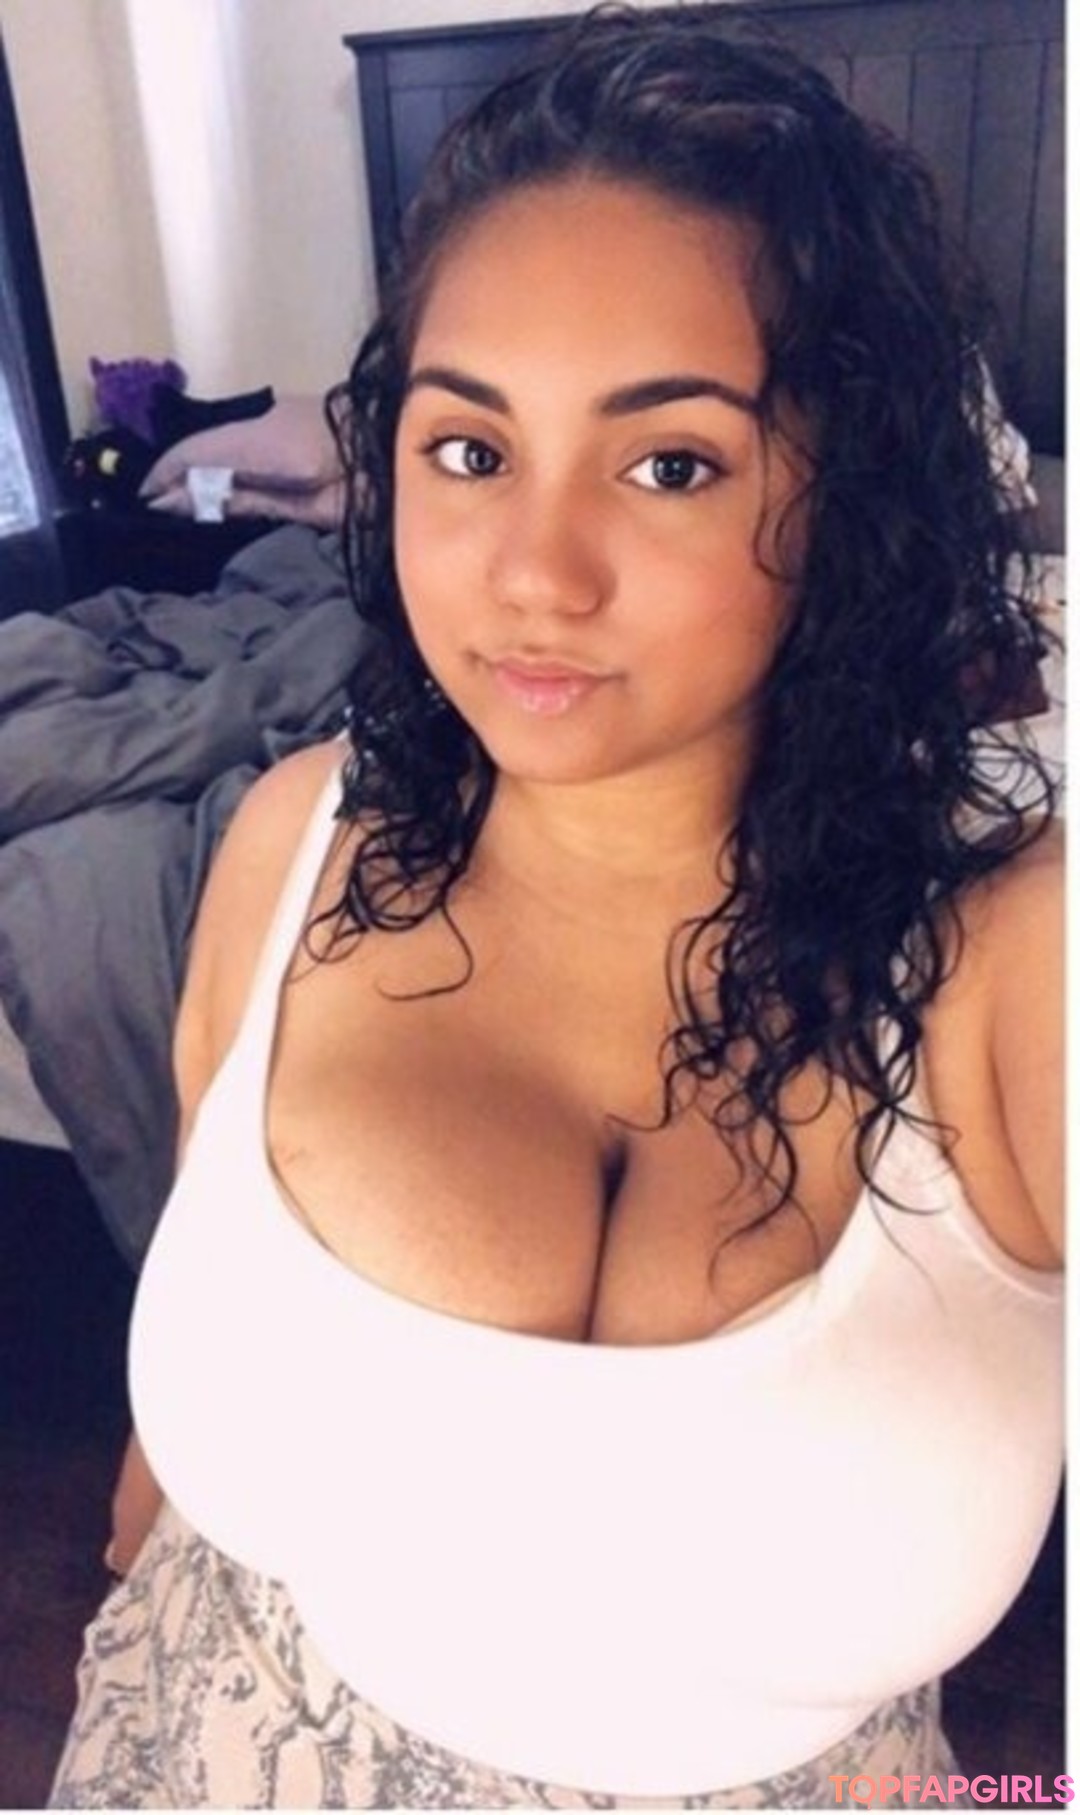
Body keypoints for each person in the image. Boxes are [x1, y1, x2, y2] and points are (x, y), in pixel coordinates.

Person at [50, 5, 1063, 1808]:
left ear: (849, 496)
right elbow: (185, 1379)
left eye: (672, 463)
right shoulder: (290, 846)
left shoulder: (1013, 962)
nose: (533, 574)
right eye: (468, 449)